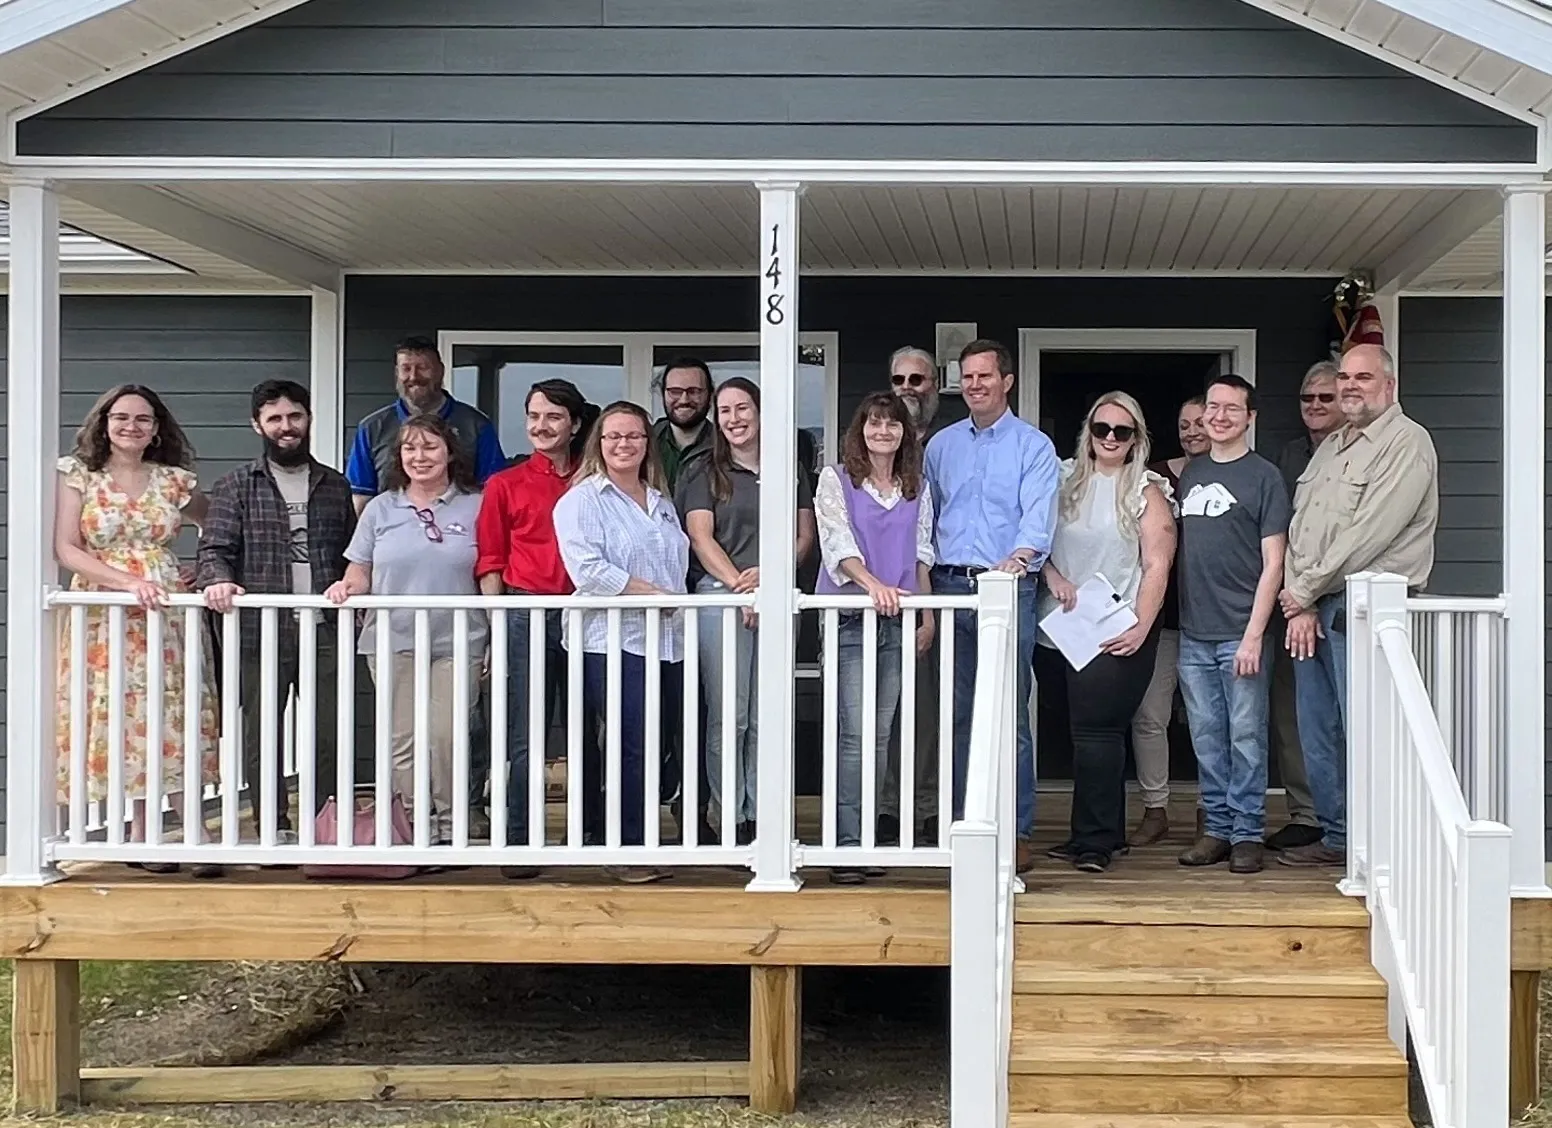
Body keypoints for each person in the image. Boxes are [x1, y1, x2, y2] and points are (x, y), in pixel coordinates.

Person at [1278, 344, 1439, 867]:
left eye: (1362, 377)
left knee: (1366, 728)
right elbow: (1301, 528)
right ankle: (1339, 837)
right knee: (1318, 729)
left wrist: (1302, 590)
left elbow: (1368, 534)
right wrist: (1300, 602)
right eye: (1344, 376)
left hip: (1366, 610)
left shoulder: (1406, 443)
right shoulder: (1332, 445)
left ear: (1388, 385)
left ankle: (1380, 846)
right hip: (1314, 610)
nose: (1349, 386)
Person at [53, 385, 222, 878]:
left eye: (143, 419)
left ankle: (195, 829)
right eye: (121, 417)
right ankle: (141, 831)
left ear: (156, 429)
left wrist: (197, 568)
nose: (132, 426)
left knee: (175, 711)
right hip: (107, 612)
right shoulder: (79, 476)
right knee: (124, 716)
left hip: (165, 609)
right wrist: (128, 581)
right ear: (104, 422)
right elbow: (67, 548)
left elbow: (219, 525)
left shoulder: (172, 481)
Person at [198, 380, 357, 846]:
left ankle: (325, 826)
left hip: (326, 628)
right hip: (260, 630)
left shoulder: (335, 484)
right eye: (275, 419)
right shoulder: (235, 485)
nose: (286, 427)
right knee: (262, 733)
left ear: (308, 419)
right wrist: (217, 579)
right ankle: (272, 825)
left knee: (329, 731)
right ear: (258, 425)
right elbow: (214, 549)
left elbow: (351, 554)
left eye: (295, 417)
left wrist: (351, 585)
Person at [925, 339, 1059, 874]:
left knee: (1008, 712)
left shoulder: (1033, 446)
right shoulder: (941, 446)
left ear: (1007, 381)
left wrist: (1018, 560)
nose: (976, 385)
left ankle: (1016, 828)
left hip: (1008, 588)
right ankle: (965, 823)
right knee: (957, 712)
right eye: (968, 377)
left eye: (985, 376)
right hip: (949, 584)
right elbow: (925, 517)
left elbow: (1037, 520)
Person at [326, 414, 488, 846]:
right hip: (393, 639)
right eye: (410, 448)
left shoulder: (477, 504)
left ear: (450, 452)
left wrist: (494, 634)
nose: (420, 457)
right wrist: (348, 587)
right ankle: (414, 825)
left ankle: (453, 824)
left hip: (458, 639)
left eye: (430, 447)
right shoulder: (381, 507)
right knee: (403, 738)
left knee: (447, 735)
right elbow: (360, 568)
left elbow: (490, 570)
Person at [553, 401, 690, 884]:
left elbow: (676, 566)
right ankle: (623, 846)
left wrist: (670, 599)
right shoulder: (582, 500)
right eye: (613, 436)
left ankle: (642, 837)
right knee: (630, 742)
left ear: (646, 443)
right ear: (599, 443)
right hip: (611, 639)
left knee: (656, 744)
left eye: (633, 436)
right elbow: (587, 570)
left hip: (668, 640)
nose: (623, 444)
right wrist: (653, 594)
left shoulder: (661, 502)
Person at [1040, 393, 1175, 873]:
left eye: (1123, 431)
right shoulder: (1060, 479)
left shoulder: (1147, 489)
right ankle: (1098, 833)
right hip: (1057, 627)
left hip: (1117, 627)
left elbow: (1158, 562)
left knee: (1098, 732)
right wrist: (1052, 576)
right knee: (1075, 732)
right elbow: (1035, 539)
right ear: (1089, 431)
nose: (1111, 439)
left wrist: (1141, 624)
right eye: (1103, 429)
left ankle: (1095, 842)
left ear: (1137, 437)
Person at [678, 377, 816, 843]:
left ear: (760, 413)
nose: (734, 419)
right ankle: (730, 814)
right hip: (723, 595)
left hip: (775, 594)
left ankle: (763, 814)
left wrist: (771, 577)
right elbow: (701, 536)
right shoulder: (704, 469)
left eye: (743, 409)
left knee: (767, 713)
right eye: (725, 411)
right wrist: (742, 587)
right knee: (729, 713)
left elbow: (804, 536)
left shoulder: (787, 467)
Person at [474, 379, 597, 878]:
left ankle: (589, 828)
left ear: (574, 424)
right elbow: (490, 561)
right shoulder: (505, 483)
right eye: (533, 417)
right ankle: (522, 837)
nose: (541, 427)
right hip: (526, 611)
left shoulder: (594, 482)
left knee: (589, 726)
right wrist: (498, 623)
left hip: (588, 611)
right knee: (526, 729)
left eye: (552, 417)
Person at [815, 393, 936, 883]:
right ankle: (846, 846)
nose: (882, 432)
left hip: (899, 620)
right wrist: (873, 586)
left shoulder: (916, 486)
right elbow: (836, 544)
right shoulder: (836, 479)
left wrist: (925, 614)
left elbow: (922, 552)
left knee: (881, 735)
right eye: (873, 423)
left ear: (905, 433)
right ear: (859, 430)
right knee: (853, 736)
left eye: (892, 424)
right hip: (850, 617)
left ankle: (864, 839)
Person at [1174, 375, 1289, 875]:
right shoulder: (1190, 474)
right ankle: (1216, 829)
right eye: (1213, 408)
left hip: (1242, 632)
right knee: (1205, 735)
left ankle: (1247, 833)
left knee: (1245, 735)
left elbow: (1275, 562)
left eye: (1231, 409)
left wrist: (1254, 635)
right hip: (1194, 634)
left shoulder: (1264, 477)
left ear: (1250, 417)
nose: (1219, 417)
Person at [1263, 360, 1341, 851]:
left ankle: (1349, 818)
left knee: (1342, 714)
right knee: (1295, 714)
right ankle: (1308, 813)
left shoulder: (1358, 456)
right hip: (1290, 607)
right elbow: (1281, 535)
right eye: (1307, 399)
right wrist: (1295, 602)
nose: (1314, 406)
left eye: (1325, 399)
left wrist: (1307, 595)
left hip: (1334, 602)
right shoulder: (1286, 458)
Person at [1128, 394, 1207, 846]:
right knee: (1150, 717)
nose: (1193, 430)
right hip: (1160, 618)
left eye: (1200, 422)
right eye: (1185, 424)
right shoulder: (1154, 477)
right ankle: (1155, 808)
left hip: (1211, 618)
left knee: (1205, 721)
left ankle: (1207, 810)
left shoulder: (1231, 474)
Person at [879, 345, 944, 845]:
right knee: (881, 711)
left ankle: (923, 808)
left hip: (937, 590)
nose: (907, 389)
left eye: (917, 380)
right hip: (879, 594)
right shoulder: (870, 445)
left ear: (935, 384)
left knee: (925, 709)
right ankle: (882, 808)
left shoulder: (949, 446)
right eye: (898, 380)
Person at [345, 335, 506, 513]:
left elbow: (492, 493)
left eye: (423, 368)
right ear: (396, 374)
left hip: (459, 534)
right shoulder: (372, 428)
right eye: (406, 369)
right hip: (391, 535)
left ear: (440, 371)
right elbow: (361, 497)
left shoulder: (476, 426)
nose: (414, 377)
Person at [653, 356, 716, 494]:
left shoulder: (724, 446)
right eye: (675, 391)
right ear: (663, 394)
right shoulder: (645, 443)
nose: (684, 400)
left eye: (694, 391)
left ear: (710, 396)